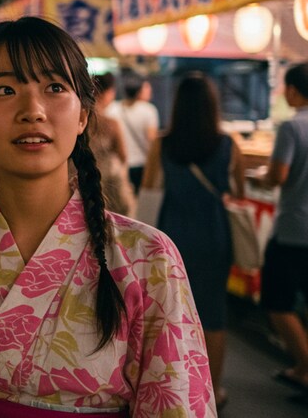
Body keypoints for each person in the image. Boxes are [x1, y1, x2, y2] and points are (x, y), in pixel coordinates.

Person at [0, 17, 215, 416]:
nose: (33, 110)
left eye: (55, 88)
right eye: (5, 90)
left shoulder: (147, 258)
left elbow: (177, 402)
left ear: (82, 115)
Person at [142, 73, 243, 408]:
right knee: (213, 312)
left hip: (175, 234)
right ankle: (213, 390)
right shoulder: (228, 144)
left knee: (171, 311)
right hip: (214, 235)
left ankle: (176, 384)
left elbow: (150, 190)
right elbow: (238, 192)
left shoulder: (162, 143)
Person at [260, 63, 308, 396]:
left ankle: (305, 367)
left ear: (292, 90)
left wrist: (259, 177)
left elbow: (278, 175)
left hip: (295, 228)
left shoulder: (293, 127)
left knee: (278, 302)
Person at [106, 71, 159, 195]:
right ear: (139, 90)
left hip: (118, 166)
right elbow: (152, 142)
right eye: (146, 87)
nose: (149, 90)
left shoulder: (113, 108)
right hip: (141, 167)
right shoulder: (149, 110)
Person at [91, 73, 134, 216]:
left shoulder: (77, 121)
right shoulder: (110, 124)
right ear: (108, 92)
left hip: (77, 184)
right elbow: (123, 155)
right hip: (107, 186)